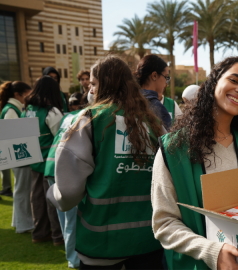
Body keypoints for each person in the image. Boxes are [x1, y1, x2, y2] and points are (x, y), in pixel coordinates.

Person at [152, 56, 238, 270]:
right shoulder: (174, 150)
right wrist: (212, 251)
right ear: (214, 82)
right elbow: (164, 223)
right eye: (234, 80)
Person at [46, 55, 165, 269]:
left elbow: (68, 192)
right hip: (149, 239)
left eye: (92, 84)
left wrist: (52, 194)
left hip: (102, 240)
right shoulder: (154, 123)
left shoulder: (89, 119)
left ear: (105, 84)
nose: (89, 90)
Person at [44, 91, 87, 268]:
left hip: (51, 166)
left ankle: (71, 257)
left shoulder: (67, 116)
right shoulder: (86, 117)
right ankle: (73, 260)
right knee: (72, 220)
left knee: (64, 219)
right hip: (64, 169)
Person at [21, 76, 64, 245]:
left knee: (37, 198)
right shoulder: (51, 111)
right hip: (49, 162)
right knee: (52, 199)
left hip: (32, 159)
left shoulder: (27, 110)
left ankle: (40, 232)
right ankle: (57, 235)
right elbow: (61, 137)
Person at [0, 81, 35, 233]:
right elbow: (12, 135)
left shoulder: (12, 108)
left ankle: (19, 222)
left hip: (18, 153)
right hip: (18, 153)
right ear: (17, 94)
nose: (29, 97)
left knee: (20, 189)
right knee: (22, 190)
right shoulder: (11, 109)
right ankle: (24, 225)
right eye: (27, 94)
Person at [135, 54, 172, 129]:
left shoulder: (127, 101)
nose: (166, 82)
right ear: (154, 75)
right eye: (166, 77)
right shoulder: (159, 110)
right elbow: (167, 140)